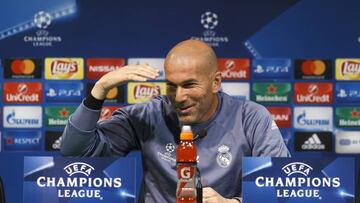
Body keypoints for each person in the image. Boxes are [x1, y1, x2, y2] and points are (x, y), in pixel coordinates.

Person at [60, 39, 290, 203]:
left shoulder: (251, 118)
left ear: (216, 82)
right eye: (172, 85)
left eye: (190, 85)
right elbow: (75, 152)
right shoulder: (149, 115)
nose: (179, 97)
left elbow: (282, 191)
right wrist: (99, 90)